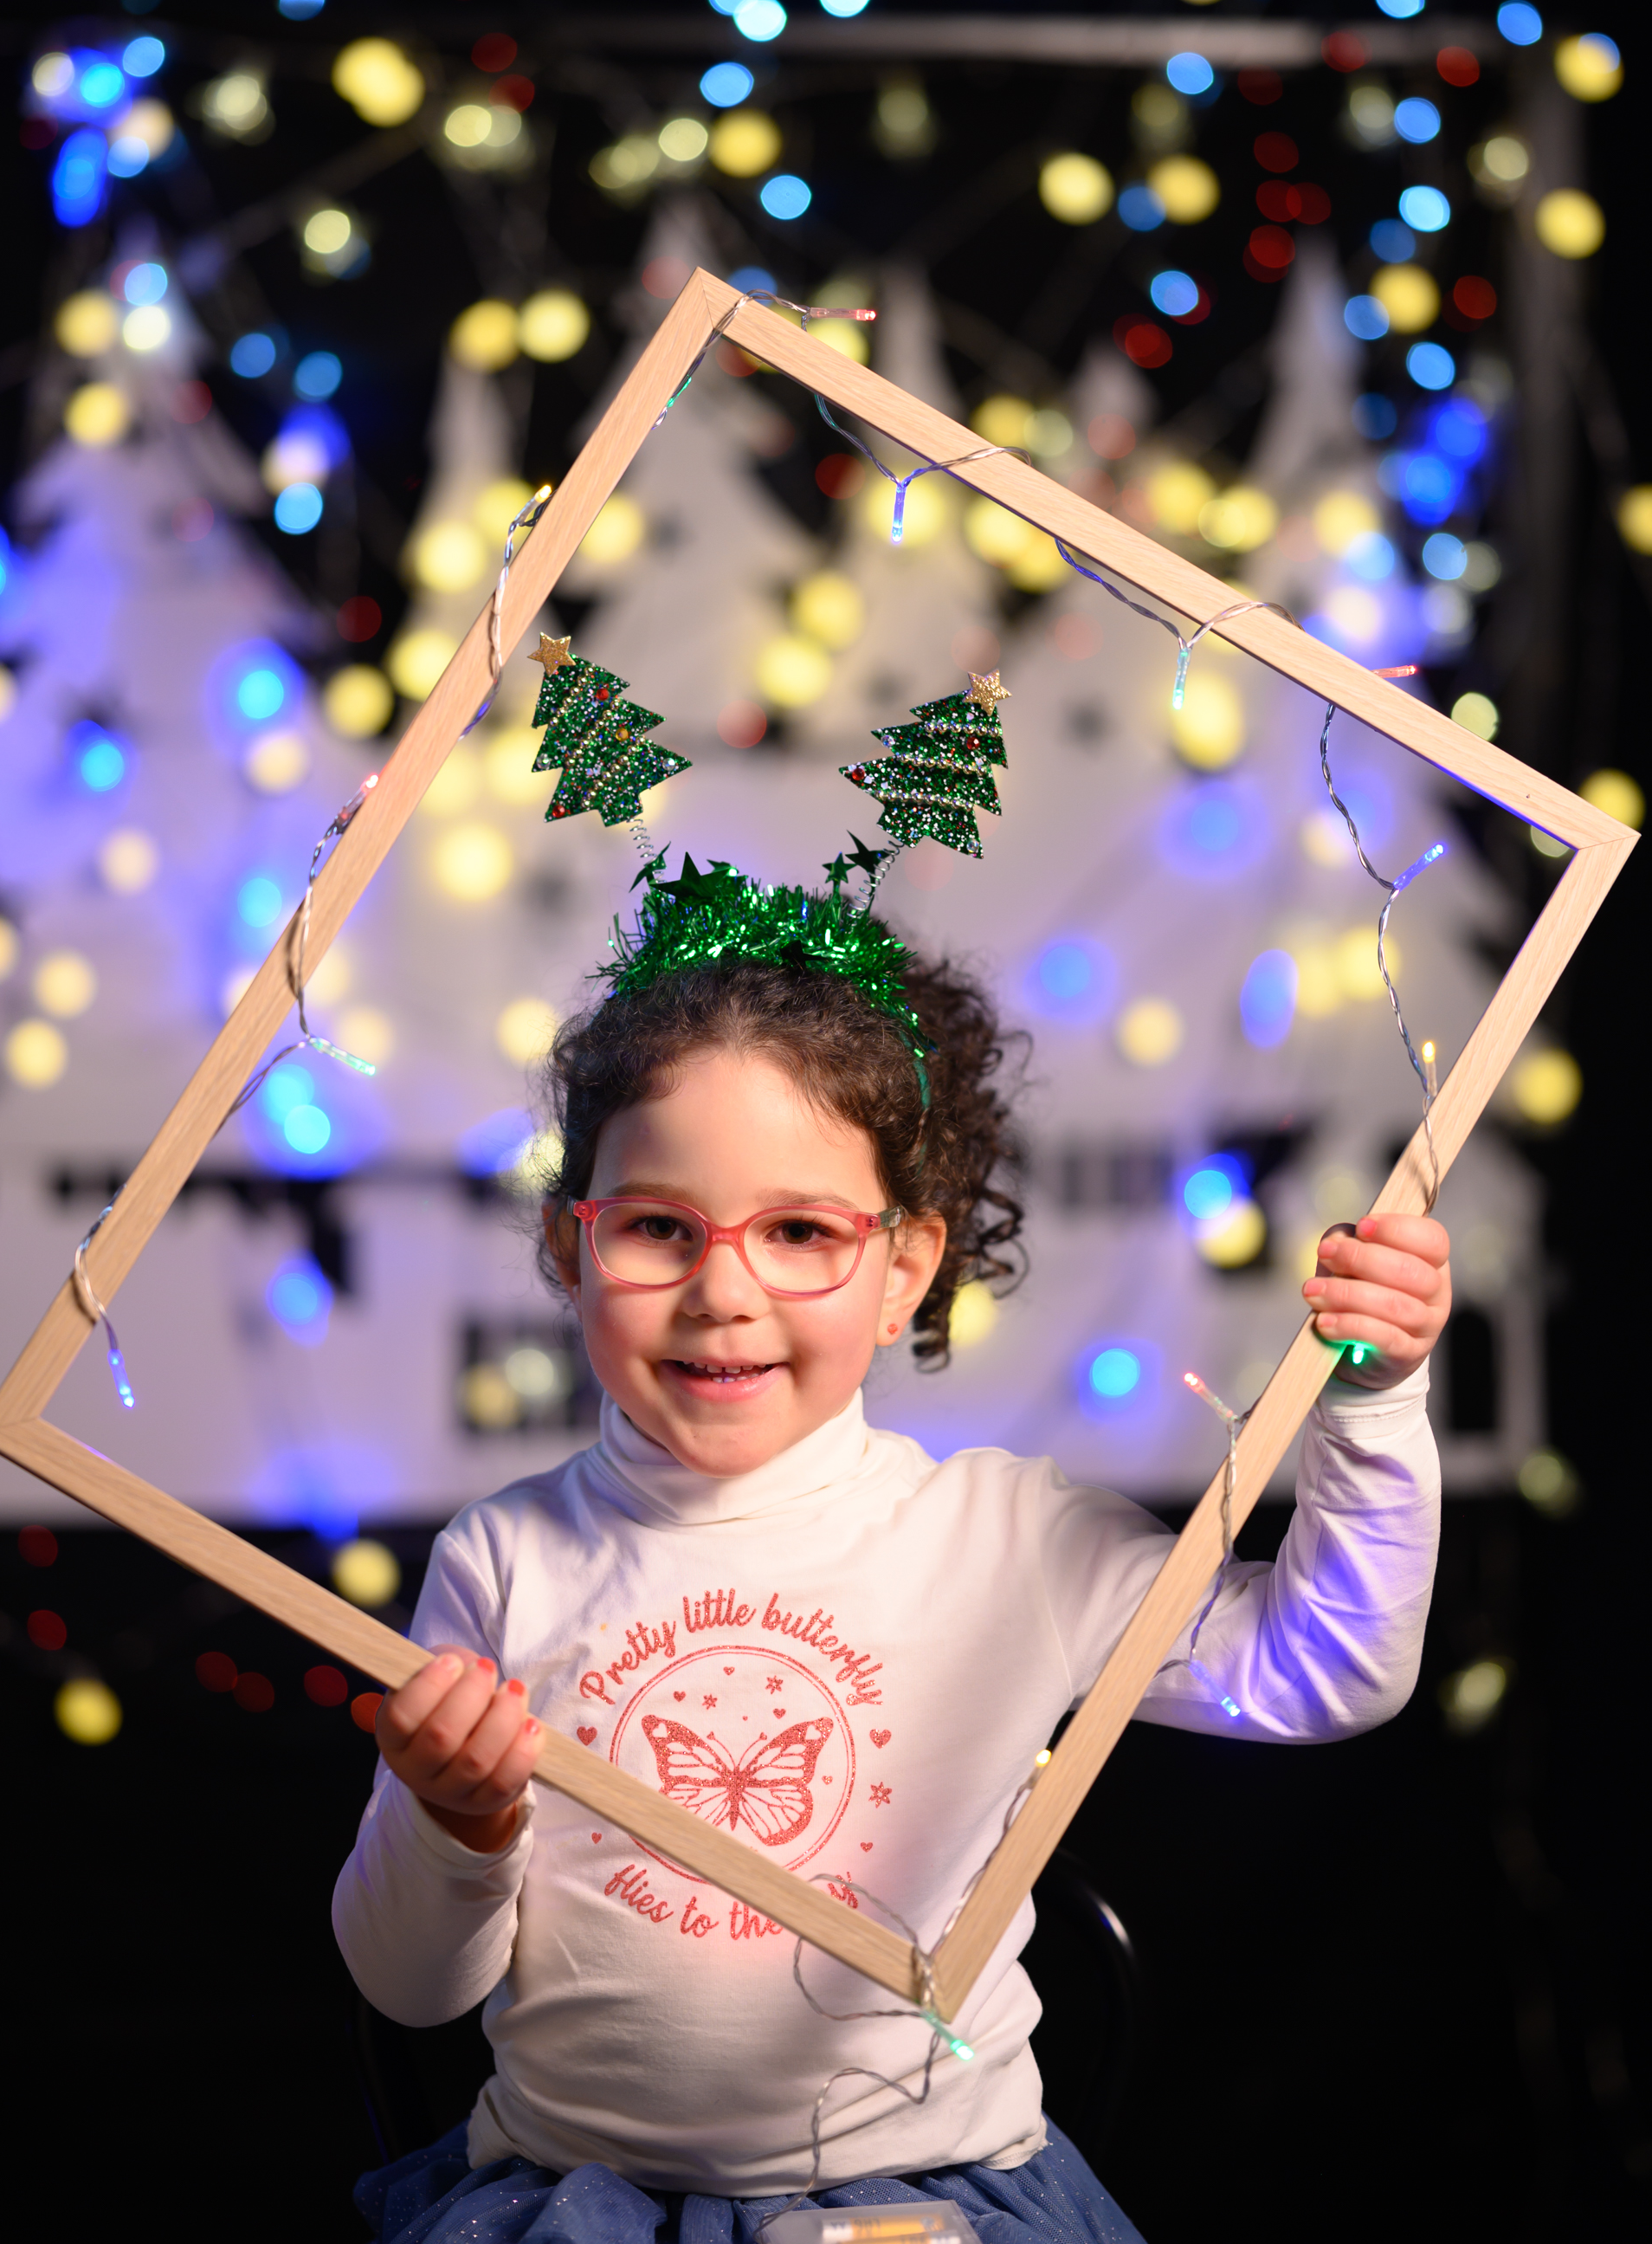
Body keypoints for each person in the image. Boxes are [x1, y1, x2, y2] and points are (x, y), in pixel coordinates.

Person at [335, 928, 1449, 2244]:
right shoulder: (504, 1558)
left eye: (802, 1231)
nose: (721, 1291)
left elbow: (1329, 1671)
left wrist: (1374, 1401)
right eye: (658, 1227)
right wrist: (456, 1821)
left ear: (903, 1271)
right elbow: (409, 1989)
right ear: (571, 1250)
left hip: (930, 2198)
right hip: (584, 2205)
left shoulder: (1009, 1540)